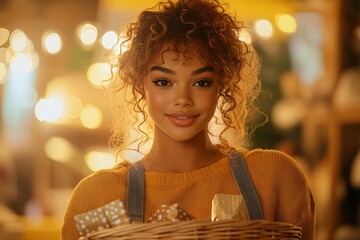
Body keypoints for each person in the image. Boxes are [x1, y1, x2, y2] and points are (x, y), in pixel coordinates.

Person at [61, 0, 315, 239]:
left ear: (222, 85)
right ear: (140, 85)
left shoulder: (274, 177)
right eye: (163, 82)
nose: (182, 98)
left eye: (201, 82)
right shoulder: (98, 196)